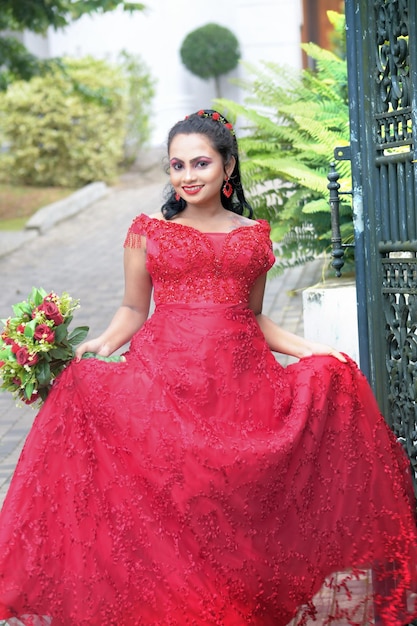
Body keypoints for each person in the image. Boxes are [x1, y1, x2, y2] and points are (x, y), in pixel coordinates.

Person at [0, 109, 416, 626]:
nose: (188, 175)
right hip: (163, 382)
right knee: (181, 502)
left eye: (200, 162)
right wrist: (101, 346)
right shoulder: (146, 232)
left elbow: (256, 316)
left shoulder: (255, 236)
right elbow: (133, 309)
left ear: (228, 166)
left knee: (237, 502)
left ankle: (234, 602)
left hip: (243, 386)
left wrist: (310, 351)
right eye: (177, 165)